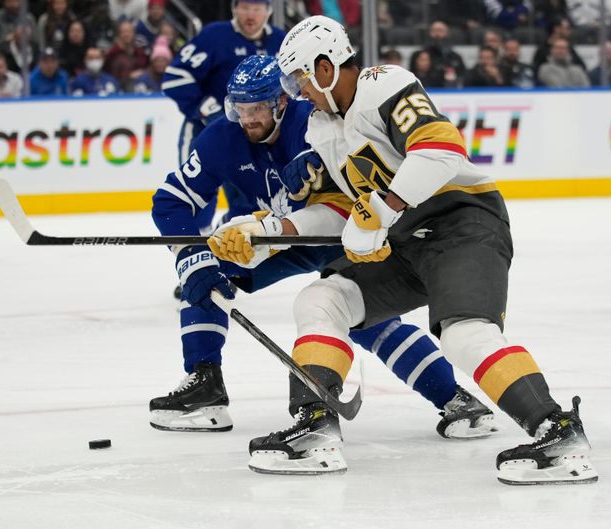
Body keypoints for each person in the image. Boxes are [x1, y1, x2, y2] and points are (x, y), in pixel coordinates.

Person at [223, 15, 598, 483]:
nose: (299, 92)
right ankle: (314, 427)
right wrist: (269, 233)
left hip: (461, 221)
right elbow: (345, 210)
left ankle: (557, 432)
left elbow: (442, 150)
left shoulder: (385, 85)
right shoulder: (323, 127)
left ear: (325, 68)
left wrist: (381, 211)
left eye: (301, 78)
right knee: (322, 299)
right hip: (405, 239)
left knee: (464, 334)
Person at [149, 55, 496, 452]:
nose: (247, 119)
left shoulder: (317, 121)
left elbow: (358, 195)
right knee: (207, 271)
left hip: (336, 231)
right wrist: (188, 255)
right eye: (239, 109)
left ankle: (454, 398)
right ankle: (205, 383)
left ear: (281, 102)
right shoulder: (219, 139)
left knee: (364, 316)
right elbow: (171, 201)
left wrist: (315, 187)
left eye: (257, 108)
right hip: (274, 235)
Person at [161, 0, 285, 166]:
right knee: (190, 190)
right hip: (206, 131)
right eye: (245, 8)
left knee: (255, 191)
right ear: (234, 9)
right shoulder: (214, 36)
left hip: (258, 137)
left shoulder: (280, 40)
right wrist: (206, 108)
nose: (250, 15)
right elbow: (175, 79)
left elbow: (292, 84)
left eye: (257, 9)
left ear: (268, 11)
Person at [104, 19, 148, 87]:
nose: (126, 35)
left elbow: (145, 69)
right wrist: (129, 76)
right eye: (123, 32)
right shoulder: (112, 53)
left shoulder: (140, 52)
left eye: (129, 31)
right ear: (118, 34)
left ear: (134, 33)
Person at [424, 20, 465, 88]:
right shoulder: (422, 56)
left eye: (440, 31)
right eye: (434, 31)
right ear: (429, 33)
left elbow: (462, 76)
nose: (437, 34)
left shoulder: (456, 57)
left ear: (447, 33)